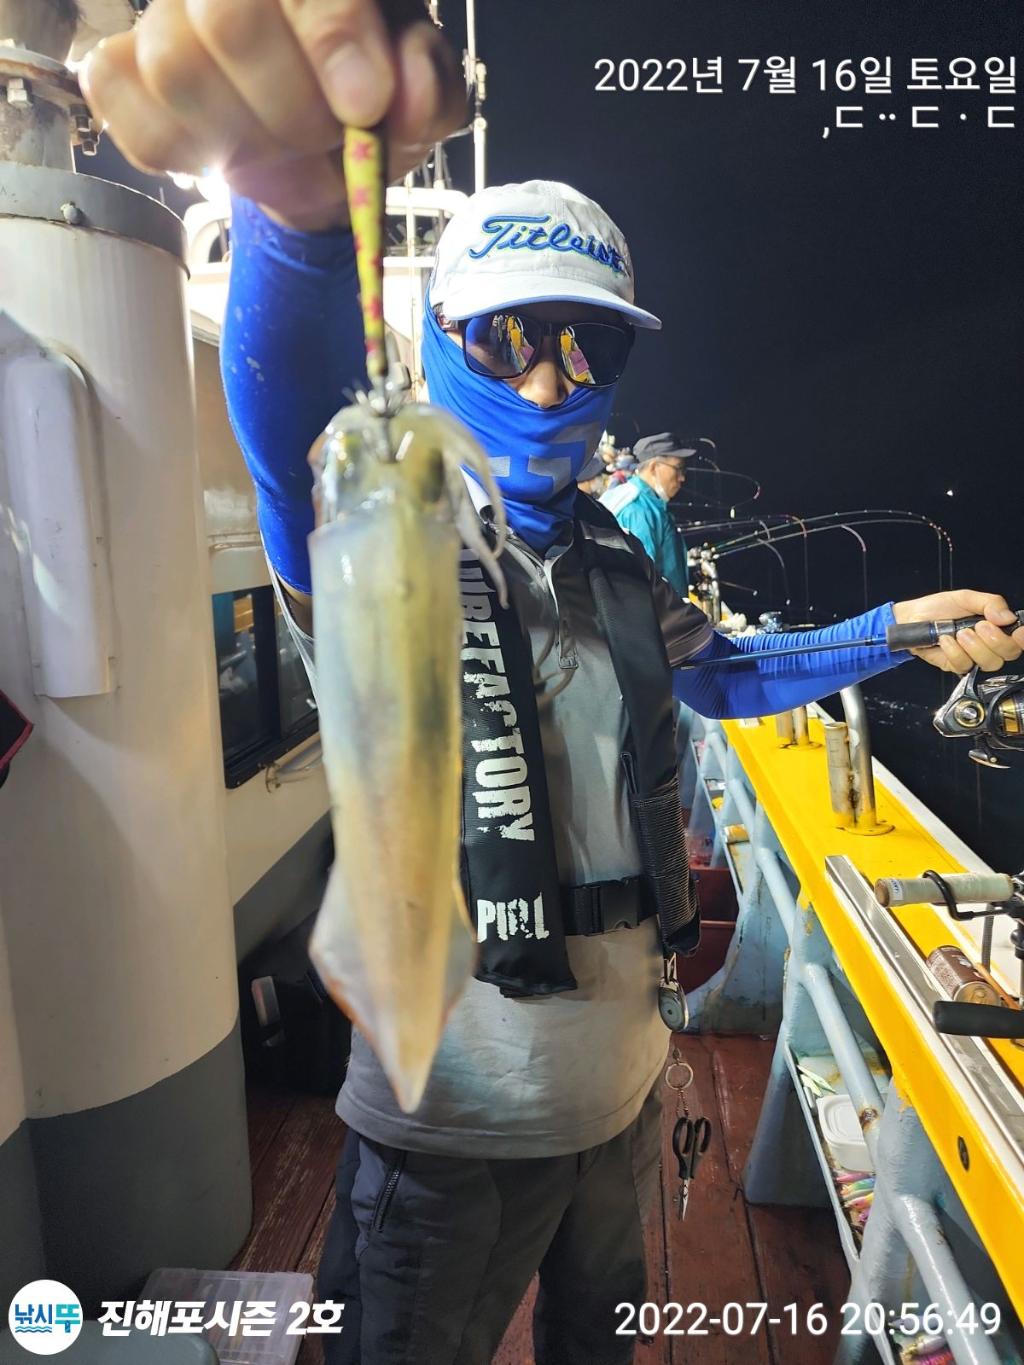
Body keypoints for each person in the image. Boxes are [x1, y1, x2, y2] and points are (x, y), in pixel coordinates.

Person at [84, 7, 1024, 1363]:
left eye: (585, 348)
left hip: (623, 1099)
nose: (543, 381)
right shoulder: (383, 536)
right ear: (437, 339)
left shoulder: (618, 566)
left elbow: (730, 676)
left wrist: (895, 628)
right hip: (446, 1136)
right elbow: (289, 430)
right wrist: (299, 215)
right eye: (507, 337)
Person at [601, 433, 693, 598]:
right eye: (678, 468)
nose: (682, 477)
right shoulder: (638, 511)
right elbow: (641, 584)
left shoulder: (636, 498)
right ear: (653, 467)